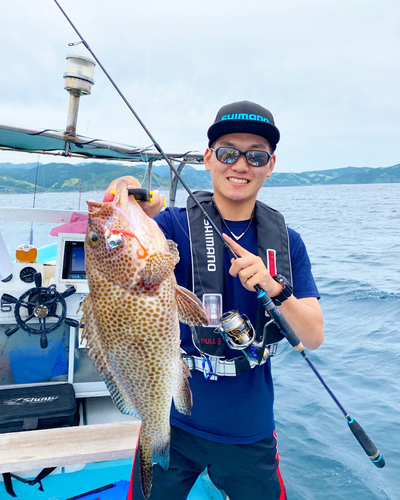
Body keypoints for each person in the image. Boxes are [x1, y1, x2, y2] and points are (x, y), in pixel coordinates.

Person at [106, 100, 324, 500]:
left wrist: (276, 289)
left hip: (249, 428)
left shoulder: (288, 243)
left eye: (256, 156)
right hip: (171, 415)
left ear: (270, 166)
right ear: (208, 159)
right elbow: (117, 222)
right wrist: (132, 197)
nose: (240, 165)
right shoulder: (170, 225)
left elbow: (313, 335)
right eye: (227, 153)